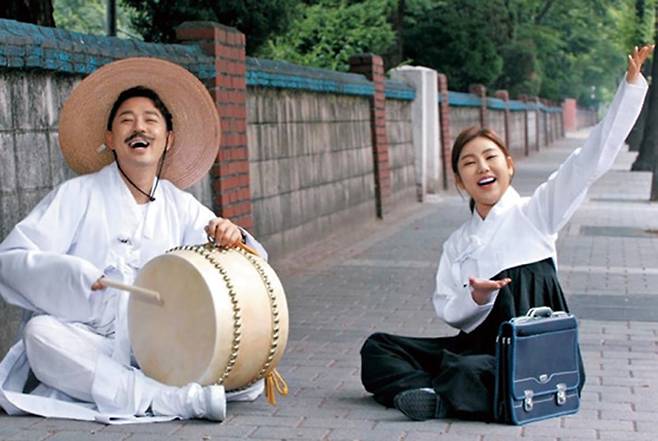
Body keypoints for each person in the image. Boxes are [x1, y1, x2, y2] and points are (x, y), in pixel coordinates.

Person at [360, 45, 653, 422]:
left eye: (490, 157)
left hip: (536, 355)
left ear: (508, 166)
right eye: (469, 162)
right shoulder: (457, 243)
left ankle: (439, 394)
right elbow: (448, 309)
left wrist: (628, 88)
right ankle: (437, 394)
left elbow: (589, 161)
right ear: (460, 180)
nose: (481, 167)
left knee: (467, 372)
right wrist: (477, 297)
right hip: (476, 350)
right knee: (379, 348)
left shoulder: (537, 213)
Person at [0, 57, 266, 423]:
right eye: (126, 120)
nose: (138, 127)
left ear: (168, 139)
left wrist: (231, 236)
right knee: (40, 336)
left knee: (232, 356)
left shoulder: (183, 206)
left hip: (162, 343)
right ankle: (170, 399)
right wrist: (78, 280)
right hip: (91, 340)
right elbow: (13, 258)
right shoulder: (77, 195)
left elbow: (244, 268)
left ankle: (149, 392)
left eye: (150, 120)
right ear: (110, 138)